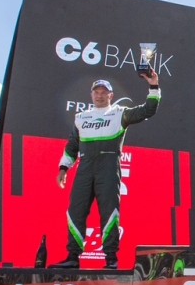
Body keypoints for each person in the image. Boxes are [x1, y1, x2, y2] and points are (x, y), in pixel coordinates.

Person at [54, 72, 161, 269]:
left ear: (111, 95)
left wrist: (153, 86)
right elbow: (72, 146)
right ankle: (72, 257)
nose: (100, 95)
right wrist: (63, 168)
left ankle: (111, 258)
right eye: (96, 92)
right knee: (75, 211)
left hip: (108, 164)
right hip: (85, 166)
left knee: (110, 212)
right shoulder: (81, 118)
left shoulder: (120, 113)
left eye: (104, 92)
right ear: (91, 94)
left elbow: (148, 110)